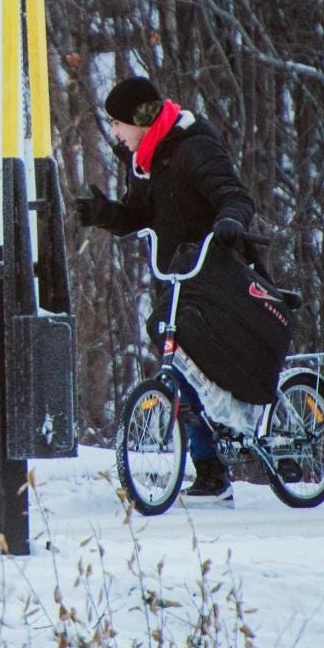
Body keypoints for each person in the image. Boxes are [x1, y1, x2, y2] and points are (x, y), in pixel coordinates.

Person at [74, 75, 256, 505]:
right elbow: (140, 214)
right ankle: (210, 470)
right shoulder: (145, 159)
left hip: (213, 271)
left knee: (206, 363)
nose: (115, 133)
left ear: (142, 118)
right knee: (180, 363)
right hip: (175, 277)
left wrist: (230, 221)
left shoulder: (193, 146)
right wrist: (106, 214)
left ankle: (222, 456)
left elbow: (235, 196)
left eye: (118, 123)